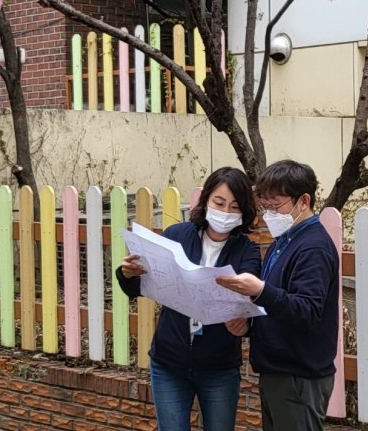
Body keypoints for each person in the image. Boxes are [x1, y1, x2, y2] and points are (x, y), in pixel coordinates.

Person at [116, 166, 261, 431]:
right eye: (219, 202)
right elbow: (138, 287)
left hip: (218, 366)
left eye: (234, 206)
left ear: (243, 213)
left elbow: (248, 304)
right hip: (169, 362)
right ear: (206, 201)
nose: (225, 212)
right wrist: (127, 273)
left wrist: (245, 324)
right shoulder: (176, 235)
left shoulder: (247, 251)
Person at [217, 159, 339, 431]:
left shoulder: (313, 248)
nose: (269, 212)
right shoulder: (283, 242)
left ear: (303, 201)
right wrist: (248, 325)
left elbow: (306, 311)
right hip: (278, 371)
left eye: (276, 204)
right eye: (265, 205)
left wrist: (260, 291)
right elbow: (276, 306)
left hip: (298, 375)